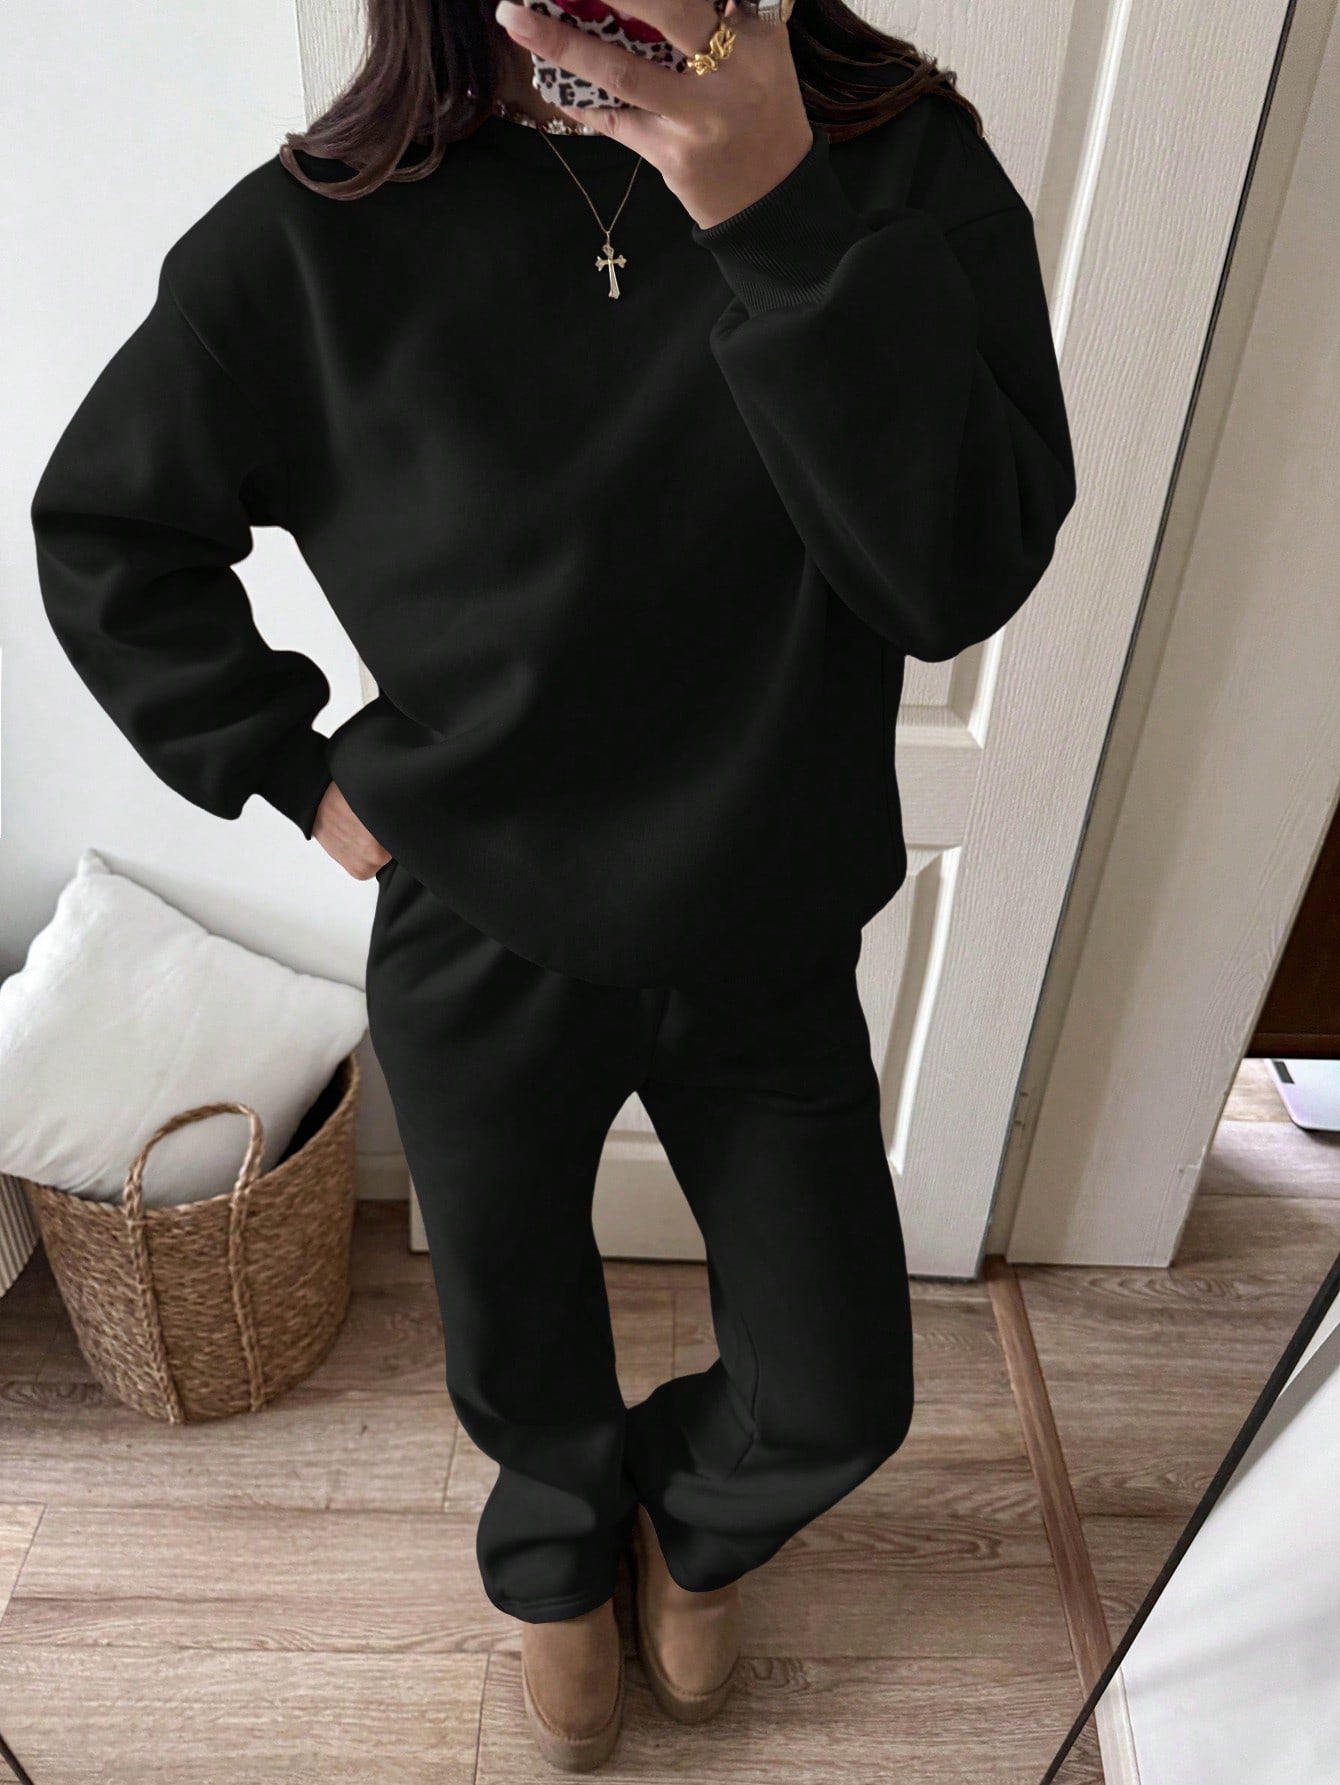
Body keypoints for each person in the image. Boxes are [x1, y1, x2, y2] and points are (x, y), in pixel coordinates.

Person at [30, 0, 1076, 1769]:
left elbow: (955, 572)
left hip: (764, 907)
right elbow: (111, 530)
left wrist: (779, 220)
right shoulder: (317, 232)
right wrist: (296, 769)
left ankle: (695, 1523)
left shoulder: (897, 164)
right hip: (479, 920)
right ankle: (554, 1558)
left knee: (835, 1392)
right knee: (512, 1345)